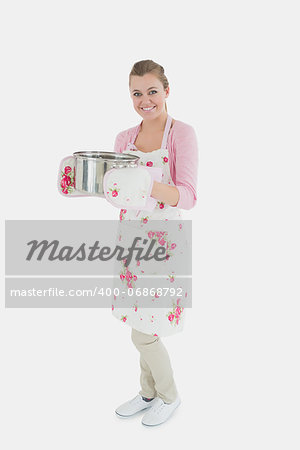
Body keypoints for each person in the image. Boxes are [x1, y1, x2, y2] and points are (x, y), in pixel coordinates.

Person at [111, 59, 198, 426]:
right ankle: (148, 393)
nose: (144, 100)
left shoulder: (182, 134)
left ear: (166, 91)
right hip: (131, 240)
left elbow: (189, 196)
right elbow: (115, 191)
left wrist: (145, 184)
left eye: (151, 91)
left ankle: (169, 395)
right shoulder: (123, 139)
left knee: (145, 331)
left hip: (164, 243)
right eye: (136, 93)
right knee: (138, 320)